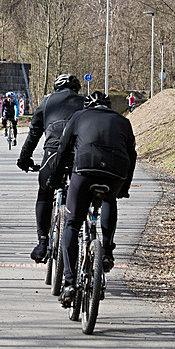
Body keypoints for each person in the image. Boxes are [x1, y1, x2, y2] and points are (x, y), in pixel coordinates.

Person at [48, 91, 136, 307]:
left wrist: (55, 177)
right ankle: (106, 250)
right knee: (110, 200)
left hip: (85, 170)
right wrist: (124, 187)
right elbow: (132, 155)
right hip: (116, 173)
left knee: (72, 223)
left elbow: (63, 149)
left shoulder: (79, 116)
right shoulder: (123, 121)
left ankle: (69, 283)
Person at [16, 74, 84, 262]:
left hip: (53, 153)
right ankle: (84, 232)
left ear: (56, 88)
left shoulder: (47, 102)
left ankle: (42, 242)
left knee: (45, 193)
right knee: (82, 191)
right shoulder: (86, 102)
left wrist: (24, 159)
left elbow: (34, 133)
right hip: (80, 153)